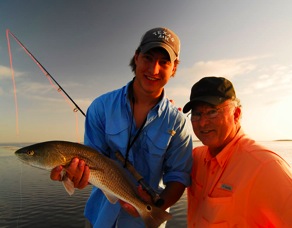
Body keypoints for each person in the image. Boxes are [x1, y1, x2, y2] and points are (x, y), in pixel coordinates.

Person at [51, 27, 193, 227]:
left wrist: (157, 203)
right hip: (100, 217)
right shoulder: (101, 107)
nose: (153, 70)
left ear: (174, 68)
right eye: (148, 58)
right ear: (136, 57)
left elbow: (178, 176)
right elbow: (90, 164)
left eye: (164, 62)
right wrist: (73, 176)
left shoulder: (178, 123)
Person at [183, 76, 292, 227]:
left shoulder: (266, 166)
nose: (202, 123)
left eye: (212, 112)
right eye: (197, 114)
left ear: (236, 114)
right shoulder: (197, 157)